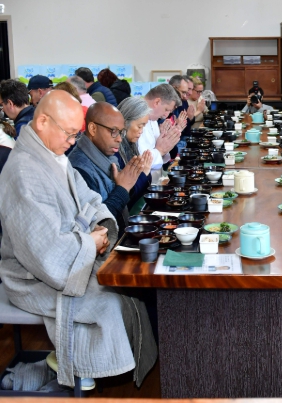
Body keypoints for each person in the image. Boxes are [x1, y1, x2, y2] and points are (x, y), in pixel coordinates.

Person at [0, 90, 157, 390]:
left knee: (131, 291)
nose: (73, 142)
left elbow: (92, 201)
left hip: (71, 256)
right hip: (33, 277)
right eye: (70, 133)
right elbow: (45, 251)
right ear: (43, 122)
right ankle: (77, 371)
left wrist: (96, 231)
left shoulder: (54, 156)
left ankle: (87, 369)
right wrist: (89, 241)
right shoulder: (23, 172)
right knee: (110, 303)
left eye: (76, 134)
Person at [68, 102, 152, 236]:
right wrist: (123, 189)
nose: (119, 139)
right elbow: (98, 224)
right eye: (113, 131)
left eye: (121, 132)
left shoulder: (109, 157)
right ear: (93, 129)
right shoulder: (79, 168)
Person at [137, 83, 182, 182]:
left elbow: (161, 155)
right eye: (166, 110)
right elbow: (141, 160)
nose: (166, 115)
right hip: (142, 182)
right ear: (157, 102)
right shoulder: (136, 117)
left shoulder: (153, 118)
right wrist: (160, 150)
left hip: (156, 177)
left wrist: (167, 142)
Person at [117, 97, 154, 210]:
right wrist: (144, 173)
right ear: (125, 122)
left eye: (143, 127)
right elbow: (127, 197)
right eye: (139, 126)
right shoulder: (116, 151)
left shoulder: (130, 145)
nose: (141, 131)